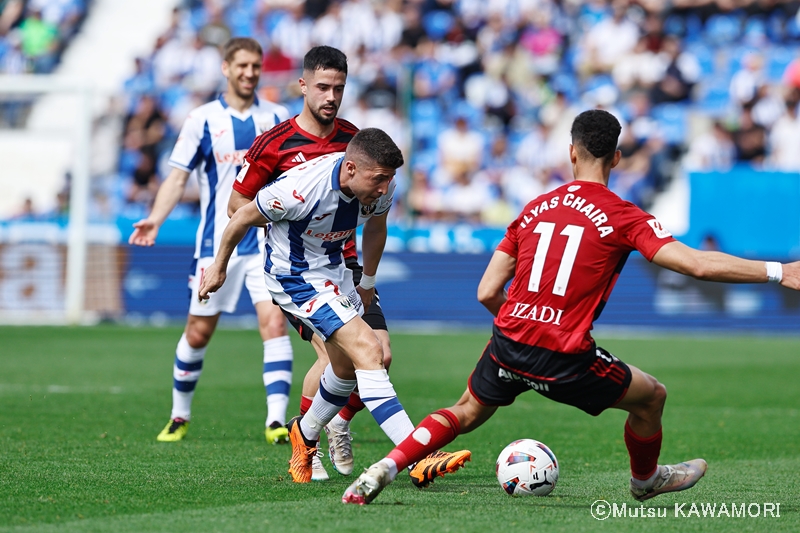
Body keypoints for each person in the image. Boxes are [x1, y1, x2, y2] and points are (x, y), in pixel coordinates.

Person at [341, 109, 800, 505]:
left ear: (571, 153)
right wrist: (780, 271)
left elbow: (485, 291)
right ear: (617, 158)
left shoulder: (535, 207)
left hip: (508, 339)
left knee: (463, 412)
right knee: (652, 397)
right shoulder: (623, 215)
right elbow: (696, 265)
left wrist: (519, 323)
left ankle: (385, 466)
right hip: (563, 354)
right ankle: (645, 481)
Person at [199, 128, 471, 485]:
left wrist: (368, 282)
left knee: (344, 369)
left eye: (389, 179)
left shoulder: (381, 186)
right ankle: (417, 455)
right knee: (369, 350)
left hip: (336, 271)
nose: (385, 187)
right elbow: (241, 216)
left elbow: (376, 227)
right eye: (379, 179)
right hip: (294, 277)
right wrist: (218, 266)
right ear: (351, 169)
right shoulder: (298, 190)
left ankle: (305, 433)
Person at [229, 45, 390, 481]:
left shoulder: (356, 142)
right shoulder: (275, 144)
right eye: (322, 87)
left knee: (380, 356)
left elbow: (376, 216)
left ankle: (334, 422)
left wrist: (368, 277)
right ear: (303, 85)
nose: (331, 96)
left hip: (347, 267)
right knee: (338, 354)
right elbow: (238, 206)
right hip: (300, 271)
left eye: (338, 88)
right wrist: (285, 229)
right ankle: (309, 446)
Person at [128, 37, 293, 445]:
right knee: (198, 332)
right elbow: (178, 177)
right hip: (214, 246)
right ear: (225, 67)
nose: (250, 73)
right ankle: (179, 416)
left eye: (256, 66)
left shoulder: (278, 116)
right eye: (242, 65)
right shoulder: (201, 119)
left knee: (274, 324)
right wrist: (155, 219)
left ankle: (276, 422)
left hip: (266, 244)